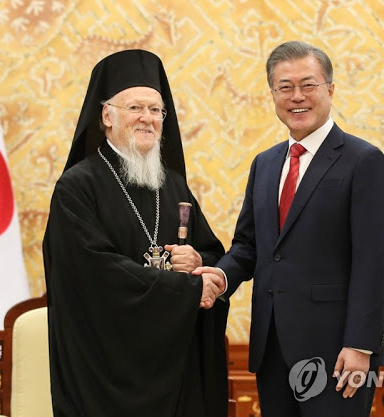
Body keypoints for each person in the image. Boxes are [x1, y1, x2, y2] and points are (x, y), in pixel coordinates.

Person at [194, 41, 384, 417]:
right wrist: (221, 276)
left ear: (330, 90)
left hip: (337, 354)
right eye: (284, 87)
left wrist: (360, 345)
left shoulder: (363, 161)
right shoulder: (265, 164)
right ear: (272, 94)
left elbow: (373, 261)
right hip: (273, 350)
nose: (296, 96)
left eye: (308, 85)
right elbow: (250, 245)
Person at [43, 49, 228, 417]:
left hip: (174, 366)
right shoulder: (77, 187)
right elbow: (93, 272)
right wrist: (185, 289)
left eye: (156, 110)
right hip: (105, 370)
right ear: (106, 116)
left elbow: (211, 253)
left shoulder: (173, 186)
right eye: (135, 108)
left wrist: (200, 263)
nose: (148, 119)